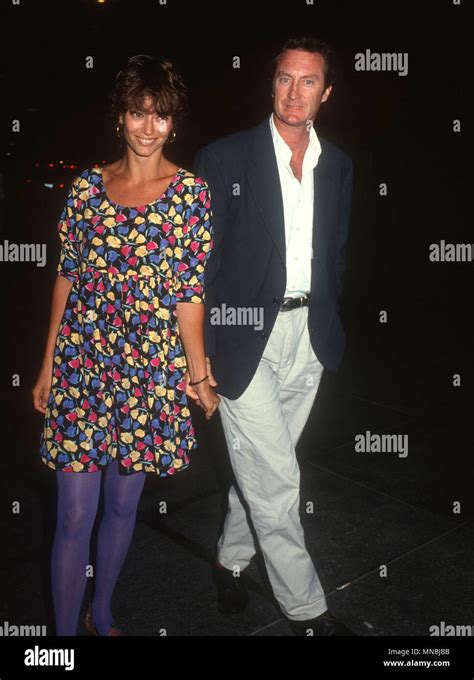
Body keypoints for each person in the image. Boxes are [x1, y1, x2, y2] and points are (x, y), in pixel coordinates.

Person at [32, 54, 218, 636]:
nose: (147, 127)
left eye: (160, 116)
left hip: (148, 374)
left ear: (173, 122)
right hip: (82, 365)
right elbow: (67, 275)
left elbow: (189, 293)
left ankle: (102, 611)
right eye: (138, 113)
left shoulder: (190, 194)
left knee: (120, 507)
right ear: (120, 117)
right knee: (75, 513)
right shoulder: (87, 188)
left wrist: (197, 374)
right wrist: (45, 367)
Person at [192, 36, 354, 636]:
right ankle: (306, 610)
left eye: (308, 81)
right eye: (285, 78)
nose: (294, 92)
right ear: (271, 84)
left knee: (263, 467)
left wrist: (327, 322)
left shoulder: (338, 166)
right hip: (241, 341)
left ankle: (230, 561)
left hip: (307, 336)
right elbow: (198, 265)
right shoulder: (225, 158)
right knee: (280, 481)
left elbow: (334, 255)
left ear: (326, 92)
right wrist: (199, 352)